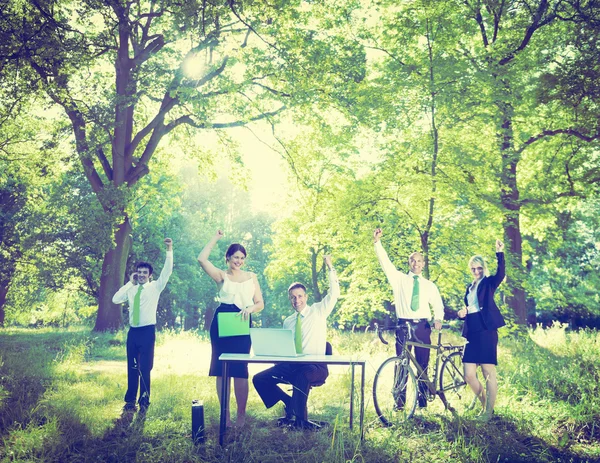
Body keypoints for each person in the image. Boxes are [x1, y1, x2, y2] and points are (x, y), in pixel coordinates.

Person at [253, 255, 340, 430]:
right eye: (293, 297)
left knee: (303, 375)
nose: (297, 300)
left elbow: (335, 293)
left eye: (300, 296)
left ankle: (301, 422)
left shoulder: (318, 311)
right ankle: (290, 403)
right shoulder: (288, 321)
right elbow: (286, 347)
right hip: (291, 365)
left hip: (315, 367)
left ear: (305, 297)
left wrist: (330, 267)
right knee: (259, 379)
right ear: (290, 299)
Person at [198, 230, 264, 427]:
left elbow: (260, 303)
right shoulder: (221, 275)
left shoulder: (252, 277)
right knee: (221, 370)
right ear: (228, 258)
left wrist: (251, 308)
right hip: (222, 322)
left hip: (243, 321)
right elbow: (201, 259)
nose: (239, 260)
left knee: (240, 370)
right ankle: (225, 416)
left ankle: (241, 416)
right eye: (236, 257)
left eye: (242, 258)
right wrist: (215, 237)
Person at [373, 228, 444, 407]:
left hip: (422, 327)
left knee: (422, 363)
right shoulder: (399, 280)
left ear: (423, 264)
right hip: (403, 326)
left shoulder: (429, 285)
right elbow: (386, 263)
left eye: (419, 260)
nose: (416, 263)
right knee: (401, 362)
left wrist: (438, 319)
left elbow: (437, 304)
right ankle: (400, 402)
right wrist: (377, 243)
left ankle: (422, 402)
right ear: (409, 262)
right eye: (413, 260)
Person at [112, 237, 174, 411]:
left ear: (150, 275)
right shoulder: (131, 288)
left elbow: (167, 271)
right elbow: (115, 299)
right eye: (139, 272)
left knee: (145, 367)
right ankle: (130, 400)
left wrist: (169, 250)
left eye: (144, 272)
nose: (141, 275)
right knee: (132, 366)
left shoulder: (155, 287)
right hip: (133, 333)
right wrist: (129, 283)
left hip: (147, 332)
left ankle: (144, 400)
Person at [457, 239, 505, 422]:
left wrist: (499, 253)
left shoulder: (488, 283)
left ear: (483, 268)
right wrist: (463, 312)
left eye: (479, 268)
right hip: (472, 331)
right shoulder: (470, 287)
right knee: (469, 374)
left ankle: (488, 413)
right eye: (473, 269)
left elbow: (501, 274)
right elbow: (471, 306)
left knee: (488, 372)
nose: (476, 272)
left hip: (486, 331)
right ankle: (485, 406)